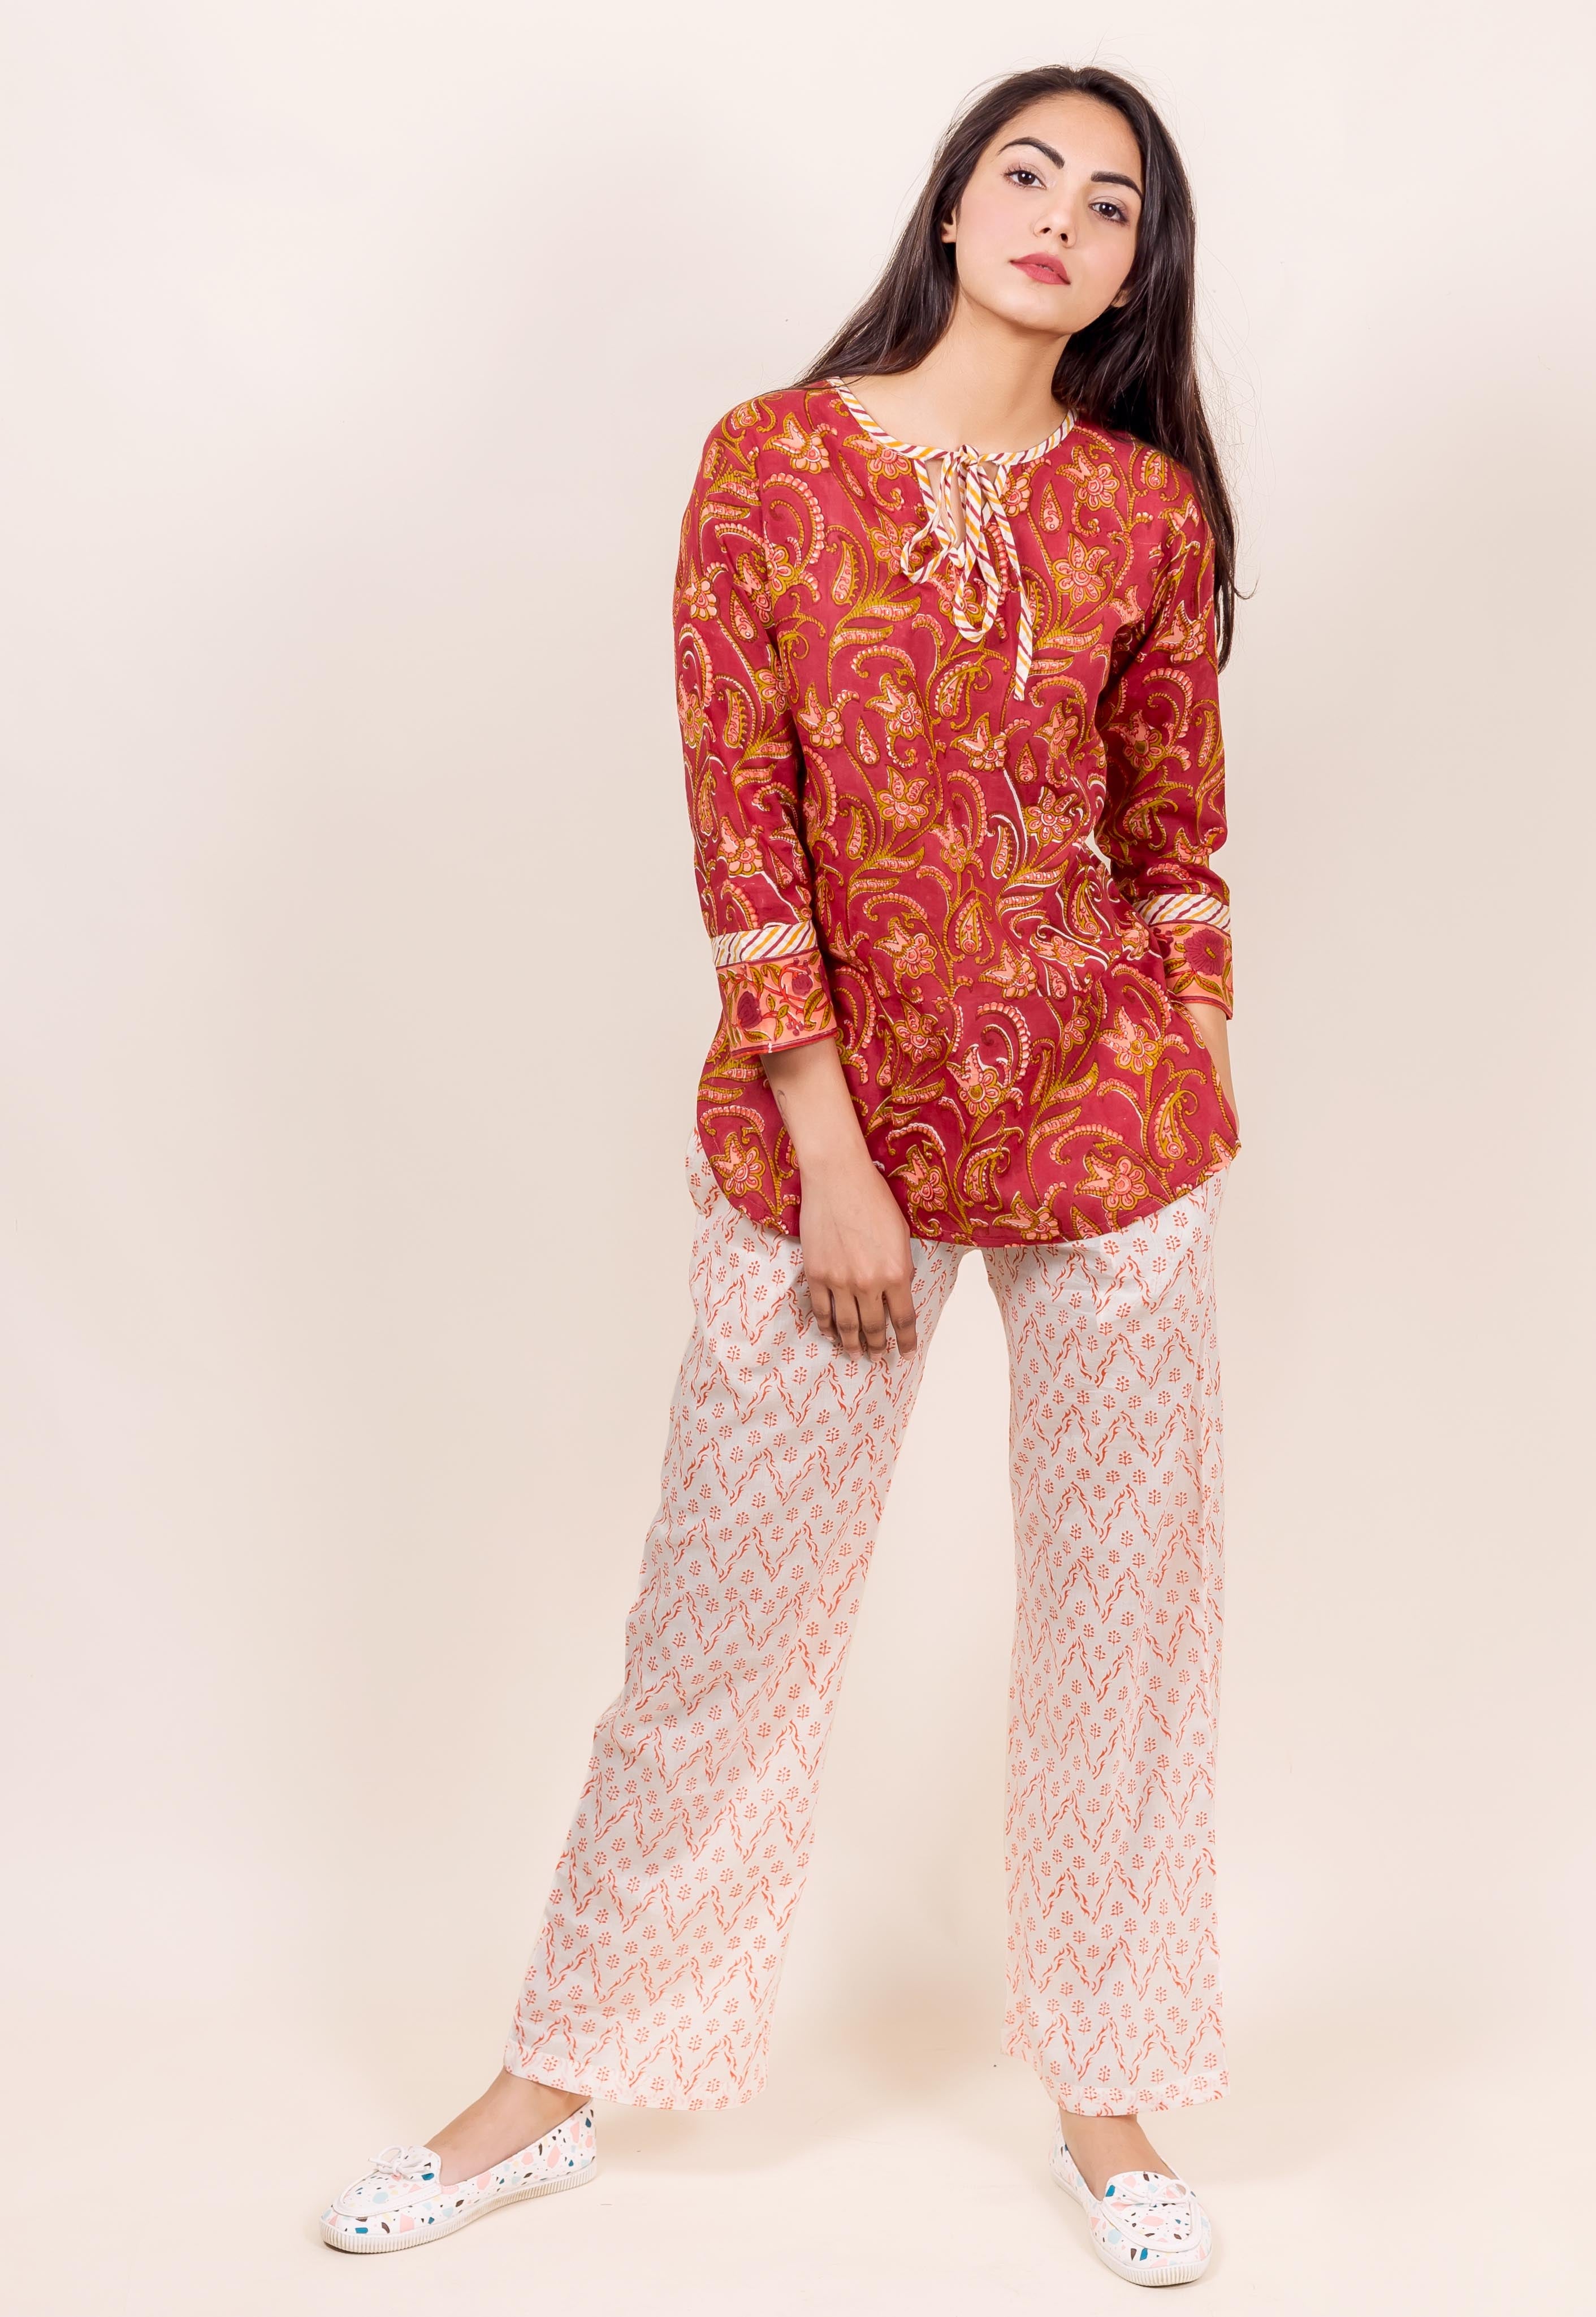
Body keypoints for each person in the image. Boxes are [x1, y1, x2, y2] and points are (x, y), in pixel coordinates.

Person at [319, 60, 1244, 2289]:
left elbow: (1175, 829)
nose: (1059, 215)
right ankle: (553, 2078)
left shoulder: (1141, 513)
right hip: (828, 1138)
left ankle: (1107, 2089)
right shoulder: (771, 463)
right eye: (1025, 170)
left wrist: (1196, 1052)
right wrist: (831, 1148)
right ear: (949, 207)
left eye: (1109, 204)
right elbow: (741, 820)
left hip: (1112, 1132)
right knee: (721, 1618)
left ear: (1133, 276)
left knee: (1121, 1633)